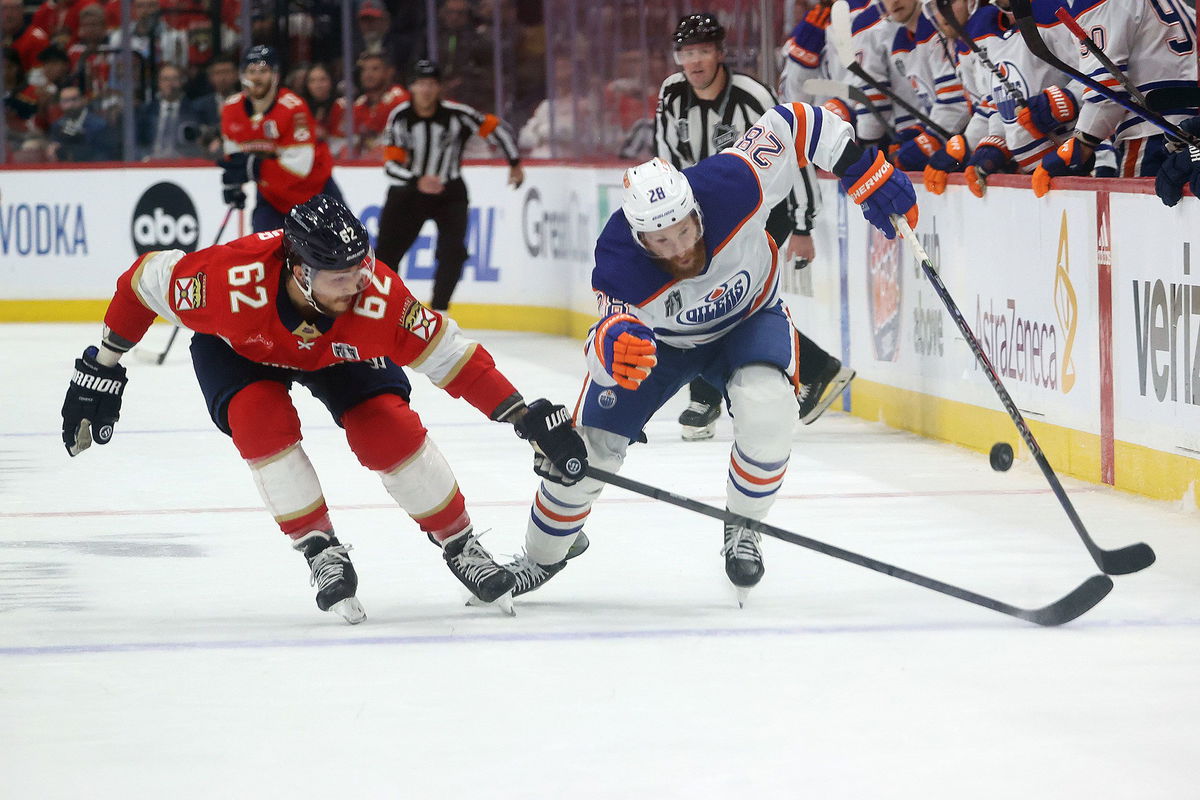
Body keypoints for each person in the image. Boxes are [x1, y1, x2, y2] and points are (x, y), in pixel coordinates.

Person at [59, 194, 588, 623]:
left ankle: (461, 544)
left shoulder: (375, 298)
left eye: (361, 269)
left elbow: (453, 357)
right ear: (299, 270)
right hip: (241, 350)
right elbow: (140, 282)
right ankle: (320, 549)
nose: (358, 285)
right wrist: (103, 365)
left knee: (387, 428)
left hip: (336, 354)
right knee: (259, 421)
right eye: (340, 277)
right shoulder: (225, 281)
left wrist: (524, 415)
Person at [500, 102, 918, 604]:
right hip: (664, 346)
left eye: (685, 229)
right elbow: (603, 338)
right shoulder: (619, 262)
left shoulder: (732, 183)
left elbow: (796, 121)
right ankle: (541, 555)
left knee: (768, 412)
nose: (679, 249)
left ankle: (743, 527)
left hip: (749, 318)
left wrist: (860, 165)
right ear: (639, 238)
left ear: (697, 209)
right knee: (587, 454)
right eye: (661, 240)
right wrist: (612, 348)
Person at [655, 12, 850, 440]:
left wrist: (802, 224)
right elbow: (665, 156)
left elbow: (794, 156)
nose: (694, 61)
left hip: (765, 210)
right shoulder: (671, 94)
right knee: (703, 290)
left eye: (703, 51)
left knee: (722, 292)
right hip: (705, 217)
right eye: (686, 53)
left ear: (720, 54)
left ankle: (710, 396)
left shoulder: (751, 96)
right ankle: (814, 370)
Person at [376, 59, 522, 311]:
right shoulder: (401, 117)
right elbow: (390, 165)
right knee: (387, 255)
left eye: (432, 84)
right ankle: (386, 310)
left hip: (449, 191)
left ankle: (440, 311)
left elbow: (496, 128)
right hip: (409, 193)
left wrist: (515, 163)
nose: (426, 90)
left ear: (440, 87)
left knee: (453, 251)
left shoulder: (457, 114)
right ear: (412, 87)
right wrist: (416, 180)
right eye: (421, 84)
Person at [1032, 0, 1197, 191]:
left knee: (1137, 217)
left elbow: (1107, 88)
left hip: (1150, 137)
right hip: (1191, 134)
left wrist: (1082, 144)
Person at [218, 44, 343, 233]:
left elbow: (300, 167)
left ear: (275, 75)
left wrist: (256, 168)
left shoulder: (293, 108)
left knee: (344, 254)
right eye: (251, 71)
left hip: (315, 192)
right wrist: (233, 186)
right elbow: (235, 157)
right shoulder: (231, 108)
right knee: (264, 255)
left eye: (263, 71)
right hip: (272, 197)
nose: (256, 77)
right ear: (242, 75)